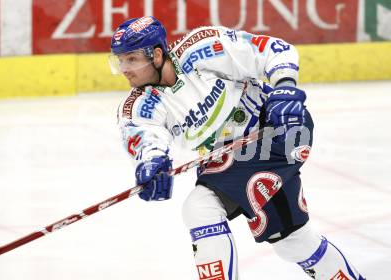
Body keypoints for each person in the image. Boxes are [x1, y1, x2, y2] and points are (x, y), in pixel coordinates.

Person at [109, 16, 365, 280]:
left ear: (158, 54)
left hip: (278, 131)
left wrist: (285, 88)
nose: (124, 68)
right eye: (120, 60)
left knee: (200, 207)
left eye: (132, 59)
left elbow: (273, 50)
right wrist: (151, 163)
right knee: (294, 242)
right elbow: (145, 137)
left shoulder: (202, 47)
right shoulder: (139, 106)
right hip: (235, 157)